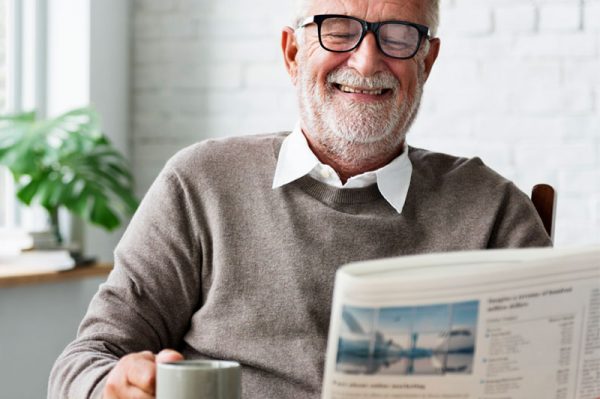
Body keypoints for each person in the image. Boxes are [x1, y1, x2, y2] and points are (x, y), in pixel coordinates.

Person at [49, 0, 551, 398]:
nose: (367, 60)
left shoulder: (493, 210)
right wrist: (113, 384)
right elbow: (87, 359)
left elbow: (557, 374)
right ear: (292, 53)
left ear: (428, 60)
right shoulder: (199, 183)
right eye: (338, 29)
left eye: (400, 36)